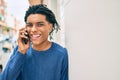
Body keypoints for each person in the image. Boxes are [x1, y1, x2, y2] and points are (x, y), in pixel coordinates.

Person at [0, 4, 68, 80]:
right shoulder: (19, 51)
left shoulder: (61, 54)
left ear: (50, 27)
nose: (33, 30)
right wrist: (21, 52)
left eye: (40, 24)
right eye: (30, 25)